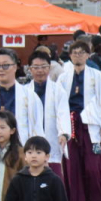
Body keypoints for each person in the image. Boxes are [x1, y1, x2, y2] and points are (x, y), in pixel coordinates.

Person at [57, 40, 101, 201]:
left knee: (92, 165)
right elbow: (59, 104)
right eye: (74, 53)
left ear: (88, 55)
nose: (78, 56)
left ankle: (95, 200)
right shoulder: (63, 77)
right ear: (70, 55)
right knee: (73, 165)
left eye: (81, 52)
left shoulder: (96, 75)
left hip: (91, 123)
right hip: (71, 123)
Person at [25, 48, 68, 178]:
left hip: (52, 136)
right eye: (36, 67)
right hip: (30, 137)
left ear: (49, 68)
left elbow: (63, 113)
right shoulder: (24, 91)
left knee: (53, 176)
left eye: (43, 67)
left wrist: (63, 133)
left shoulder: (58, 90)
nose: (40, 70)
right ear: (30, 69)